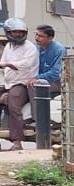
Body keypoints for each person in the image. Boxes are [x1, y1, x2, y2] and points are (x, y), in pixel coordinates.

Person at [0, 18, 39, 151]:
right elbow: (3, 63)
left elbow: (27, 65)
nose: (18, 34)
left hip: (23, 83)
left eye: (21, 32)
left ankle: (17, 140)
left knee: (13, 103)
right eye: (15, 32)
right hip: (8, 82)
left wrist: (10, 65)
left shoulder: (30, 47)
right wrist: (6, 65)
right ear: (8, 32)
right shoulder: (8, 47)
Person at [33, 25, 65, 96]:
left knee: (33, 87)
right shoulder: (34, 47)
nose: (37, 38)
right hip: (35, 79)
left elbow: (56, 73)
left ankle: (37, 107)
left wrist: (36, 78)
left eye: (41, 36)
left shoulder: (59, 49)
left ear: (50, 38)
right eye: (36, 34)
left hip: (54, 82)